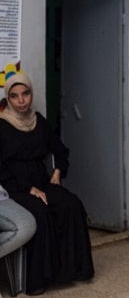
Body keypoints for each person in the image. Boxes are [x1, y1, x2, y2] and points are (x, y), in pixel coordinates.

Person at [0, 72, 94, 294]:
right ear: (8, 99)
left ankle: (71, 271)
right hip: (14, 185)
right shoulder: (2, 126)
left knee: (71, 205)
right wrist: (27, 189)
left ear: (31, 94)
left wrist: (58, 172)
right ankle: (39, 281)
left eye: (25, 94)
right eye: (15, 96)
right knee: (39, 213)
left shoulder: (38, 121)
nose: (21, 100)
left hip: (41, 180)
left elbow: (60, 150)